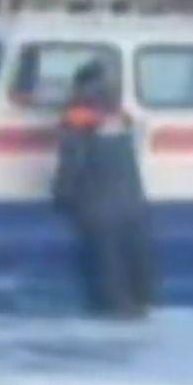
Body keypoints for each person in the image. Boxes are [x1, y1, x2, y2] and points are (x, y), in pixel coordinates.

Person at [53, 61, 156, 318]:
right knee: (136, 263)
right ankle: (141, 306)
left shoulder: (76, 119)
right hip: (133, 204)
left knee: (108, 267)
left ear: (80, 86)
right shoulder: (122, 116)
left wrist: (61, 194)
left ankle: (115, 312)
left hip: (99, 206)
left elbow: (72, 162)